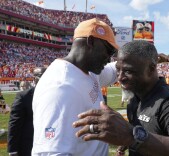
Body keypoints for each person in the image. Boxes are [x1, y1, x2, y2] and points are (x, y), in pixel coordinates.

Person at [72, 40, 169, 156]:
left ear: (151, 69)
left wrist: (131, 136)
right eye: (118, 69)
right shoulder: (135, 99)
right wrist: (126, 143)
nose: (120, 77)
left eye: (128, 71)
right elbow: (146, 132)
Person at [31, 18, 119, 156]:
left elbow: (114, 70)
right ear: (91, 42)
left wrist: (147, 57)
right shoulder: (60, 87)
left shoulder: (88, 71)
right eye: (109, 51)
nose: (109, 59)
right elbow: (52, 153)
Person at [8, 67, 46, 156]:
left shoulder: (55, 95)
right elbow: (14, 124)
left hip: (48, 144)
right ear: (34, 79)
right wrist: (12, 150)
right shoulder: (23, 96)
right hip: (28, 146)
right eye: (41, 76)